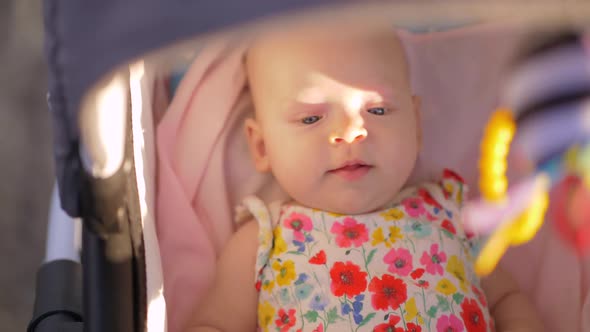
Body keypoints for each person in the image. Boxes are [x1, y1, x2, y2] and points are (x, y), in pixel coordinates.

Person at [186, 25, 543, 332]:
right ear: (262, 146)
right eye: (311, 119)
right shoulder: (264, 238)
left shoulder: (452, 213)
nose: (352, 131)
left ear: (416, 127)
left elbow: (506, 298)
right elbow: (216, 324)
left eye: (377, 110)